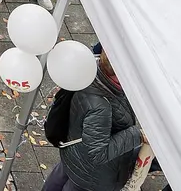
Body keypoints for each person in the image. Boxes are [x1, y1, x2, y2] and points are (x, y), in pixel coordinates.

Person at [41, 48, 143, 191]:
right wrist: (137, 134)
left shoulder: (89, 72)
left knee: (57, 181)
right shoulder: (101, 106)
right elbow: (98, 153)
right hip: (89, 176)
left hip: (73, 155)